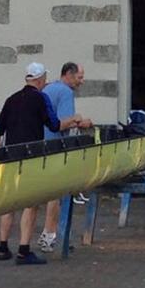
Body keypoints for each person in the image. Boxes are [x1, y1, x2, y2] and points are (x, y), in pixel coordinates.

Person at [0, 62, 60, 264]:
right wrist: (74, 120)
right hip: (31, 157)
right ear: (40, 80)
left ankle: (3, 247)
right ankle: (23, 250)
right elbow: (54, 125)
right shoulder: (41, 98)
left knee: (9, 202)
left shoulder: (11, 99)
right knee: (30, 203)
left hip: (9, 156)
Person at [36, 62, 94, 254]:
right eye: (79, 77)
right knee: (56, 195)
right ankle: (49, 235)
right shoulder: (66, 92)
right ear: (69, 74)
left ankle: (31, 239)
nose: (82, 81)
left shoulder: (47, 88)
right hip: (55, 148)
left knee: (34, 198)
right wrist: (82, 122)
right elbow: (62, 123)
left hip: (38, 146)